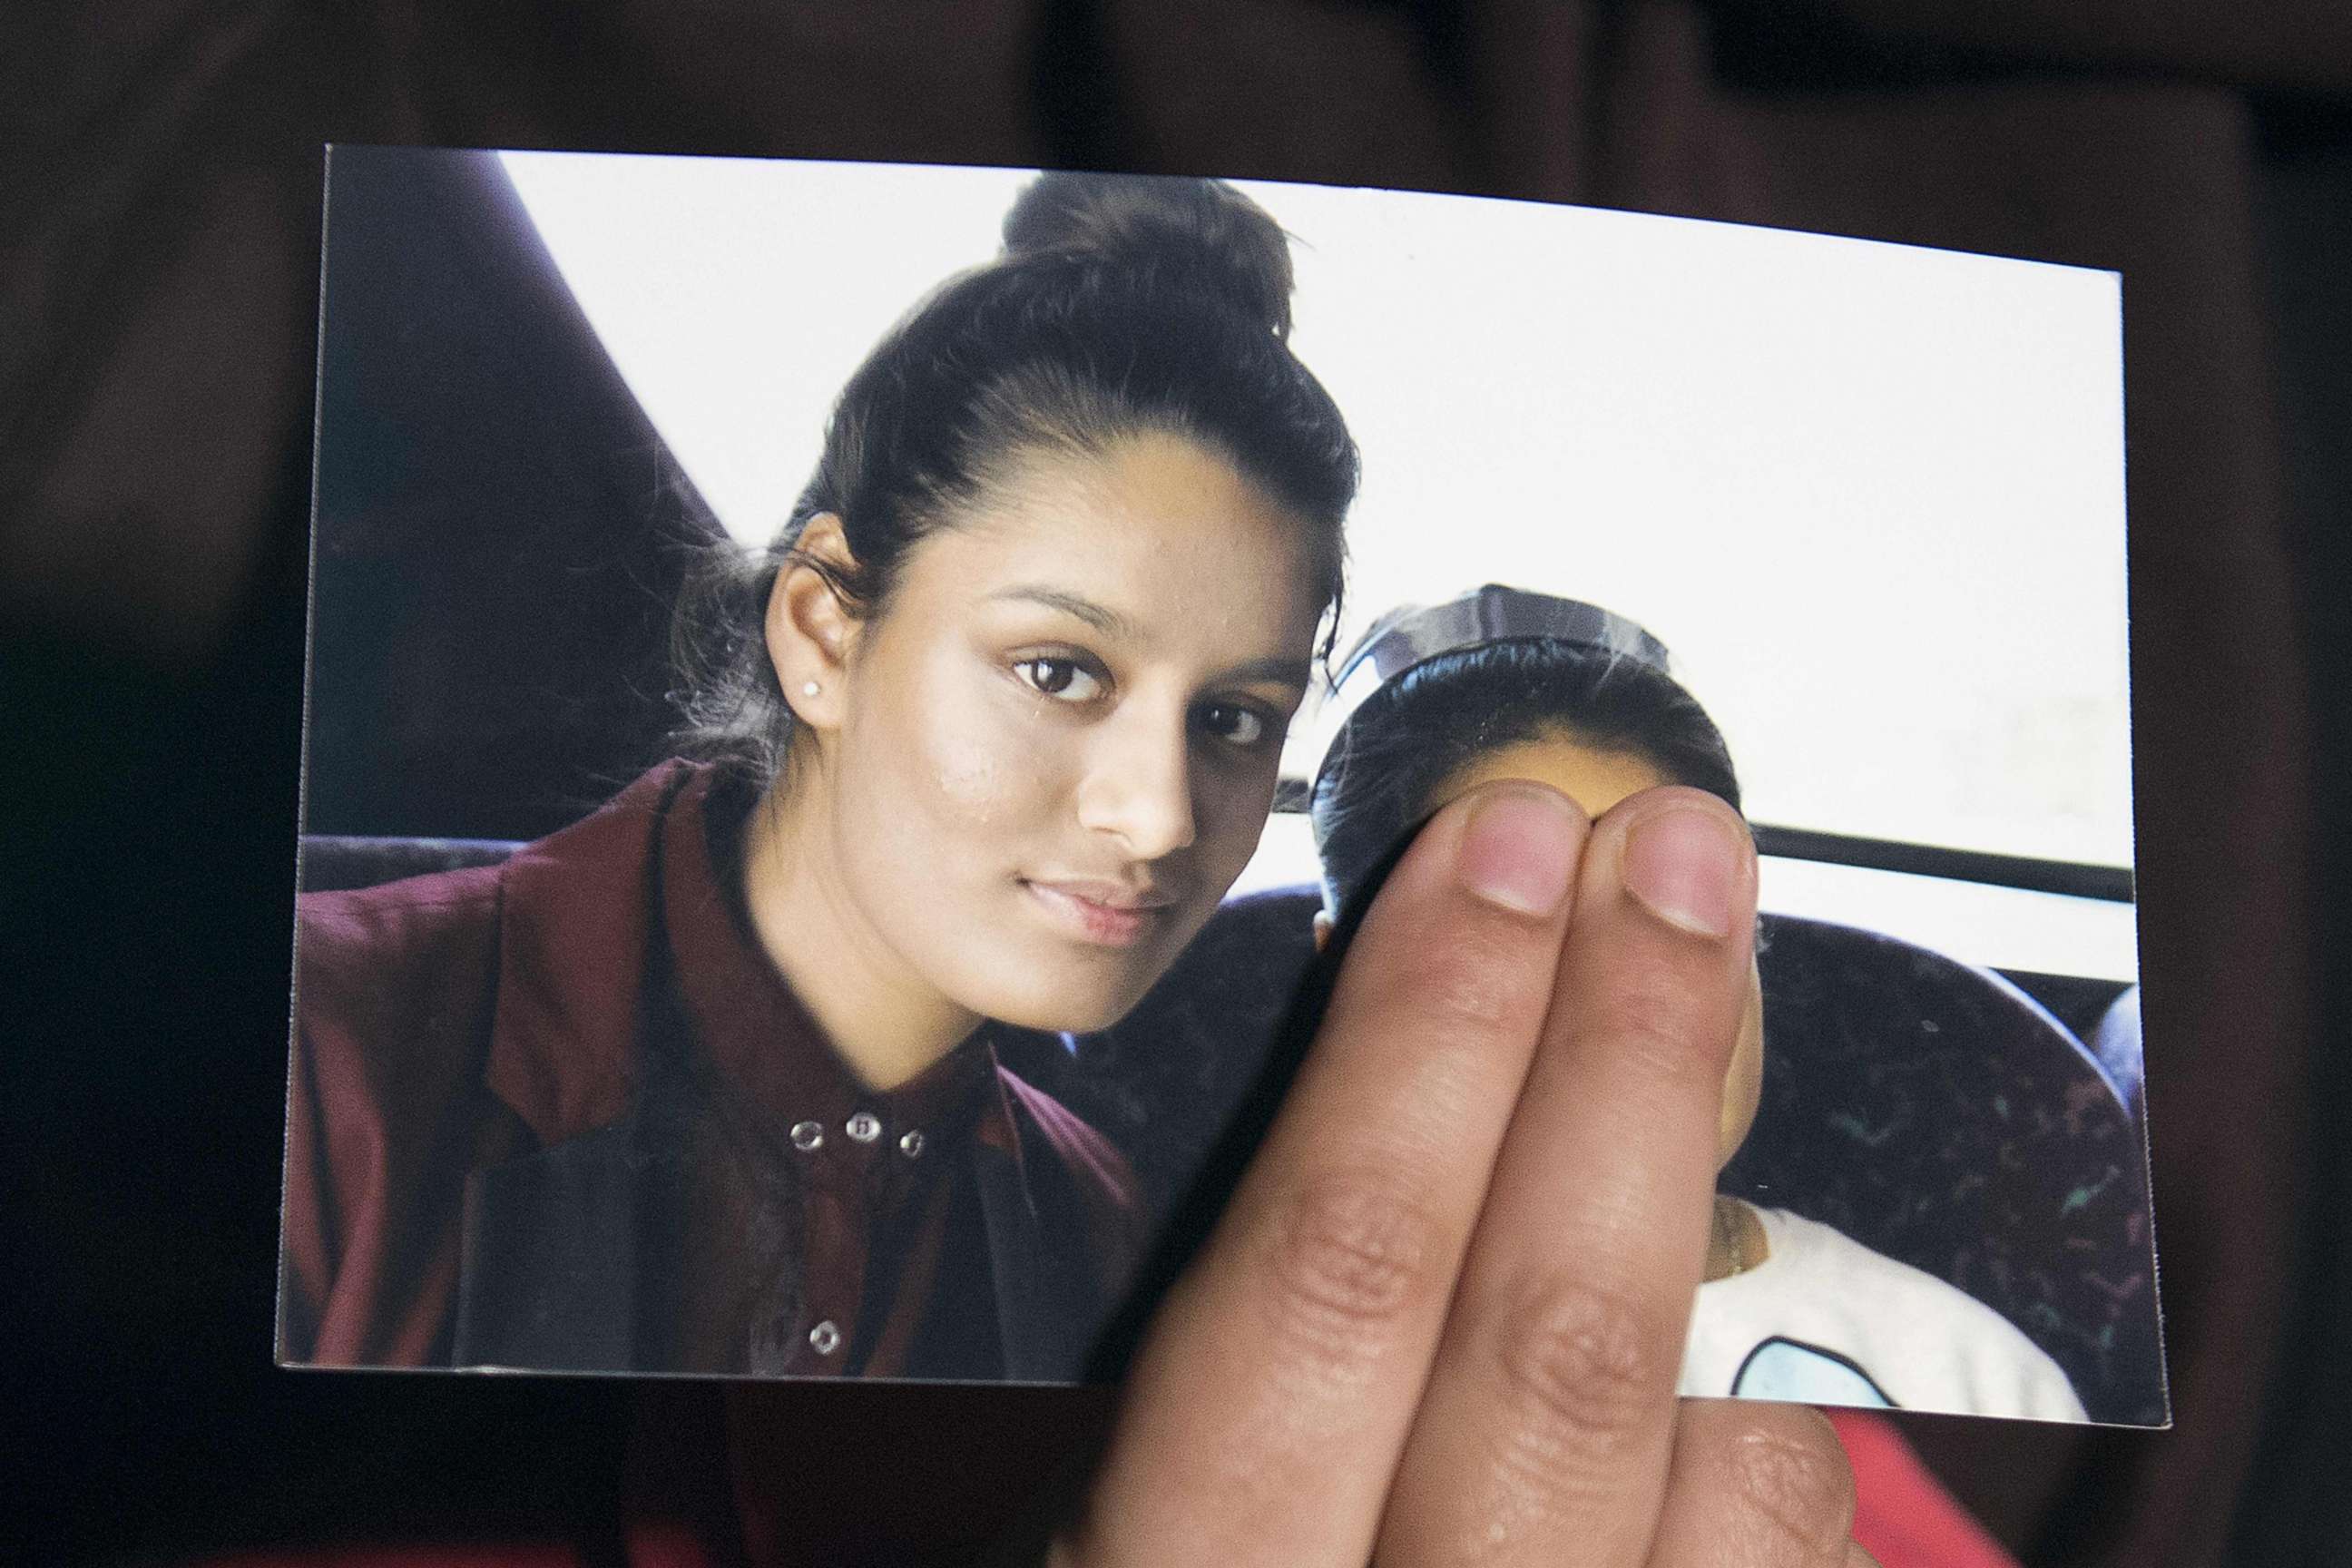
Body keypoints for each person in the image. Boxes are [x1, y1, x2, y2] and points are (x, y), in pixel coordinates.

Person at [280, 171, 1359, 1378]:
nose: (1159, 817)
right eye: (1060, 672)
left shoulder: (1093, 1235)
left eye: (1231, 716)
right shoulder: (321, 1060)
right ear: (824, 632)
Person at [1307, 585, 2088, 1422]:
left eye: (1677, 916)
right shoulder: (1279, 1354)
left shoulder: (1971, 1377)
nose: (1627, 1012)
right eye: (1516, 923)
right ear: (1340, 979)